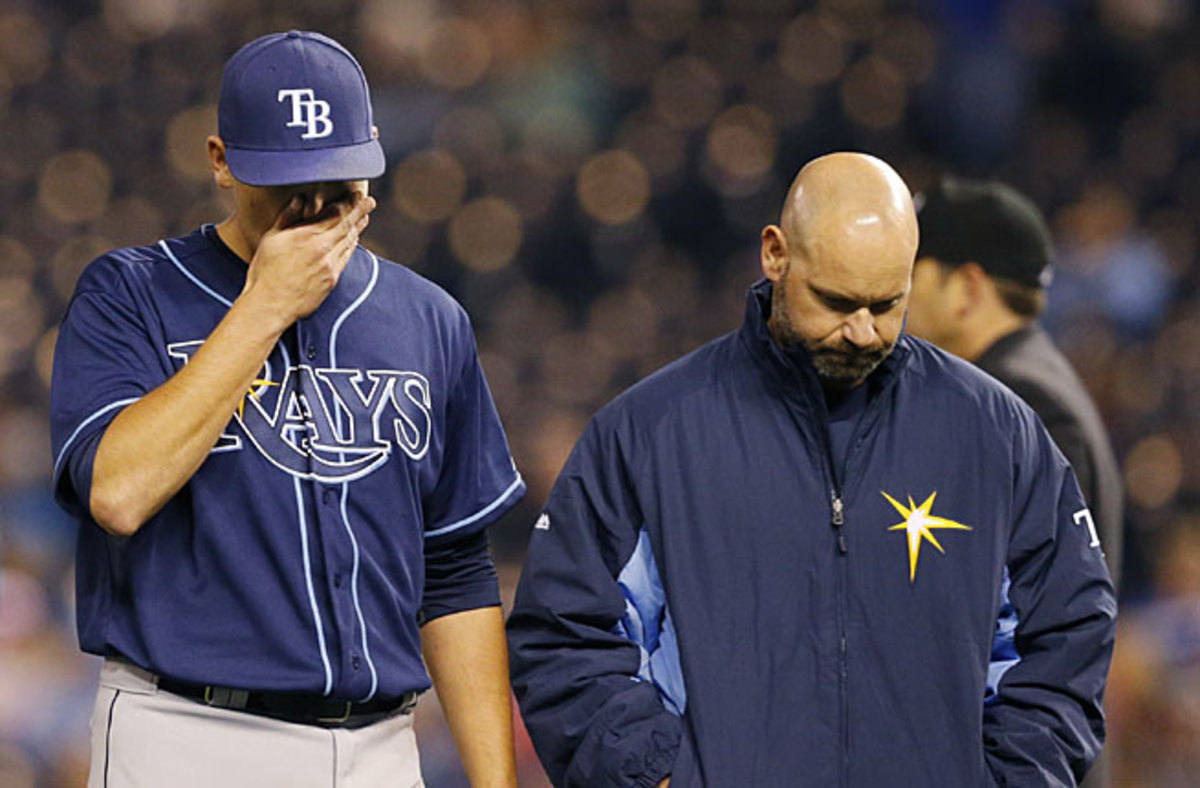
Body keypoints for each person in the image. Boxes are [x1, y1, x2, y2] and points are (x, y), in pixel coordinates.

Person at [506, 153, 1116, 787]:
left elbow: (1067, 636)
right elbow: (565, 637)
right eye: (836, 301)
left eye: (886, 304)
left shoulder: (996, 434)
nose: (860, 331)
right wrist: (656, 777)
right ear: (775, 254)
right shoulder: (648, 435)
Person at [49, 31, 524, 787]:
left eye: (335, 181)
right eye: (284, 181)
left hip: (381, 745)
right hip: (187, 735)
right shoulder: (131, 294)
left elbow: (456, 572)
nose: (310, 205)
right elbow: (119, 493)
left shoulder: (429, 319)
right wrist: (264, 307)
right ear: (220, 161)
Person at [905, 176, 1123, 588]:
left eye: (913, 271)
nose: (899, 293)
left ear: (967, 288)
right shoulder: (1034, 376)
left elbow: (1038, 595)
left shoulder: (1016, 396)